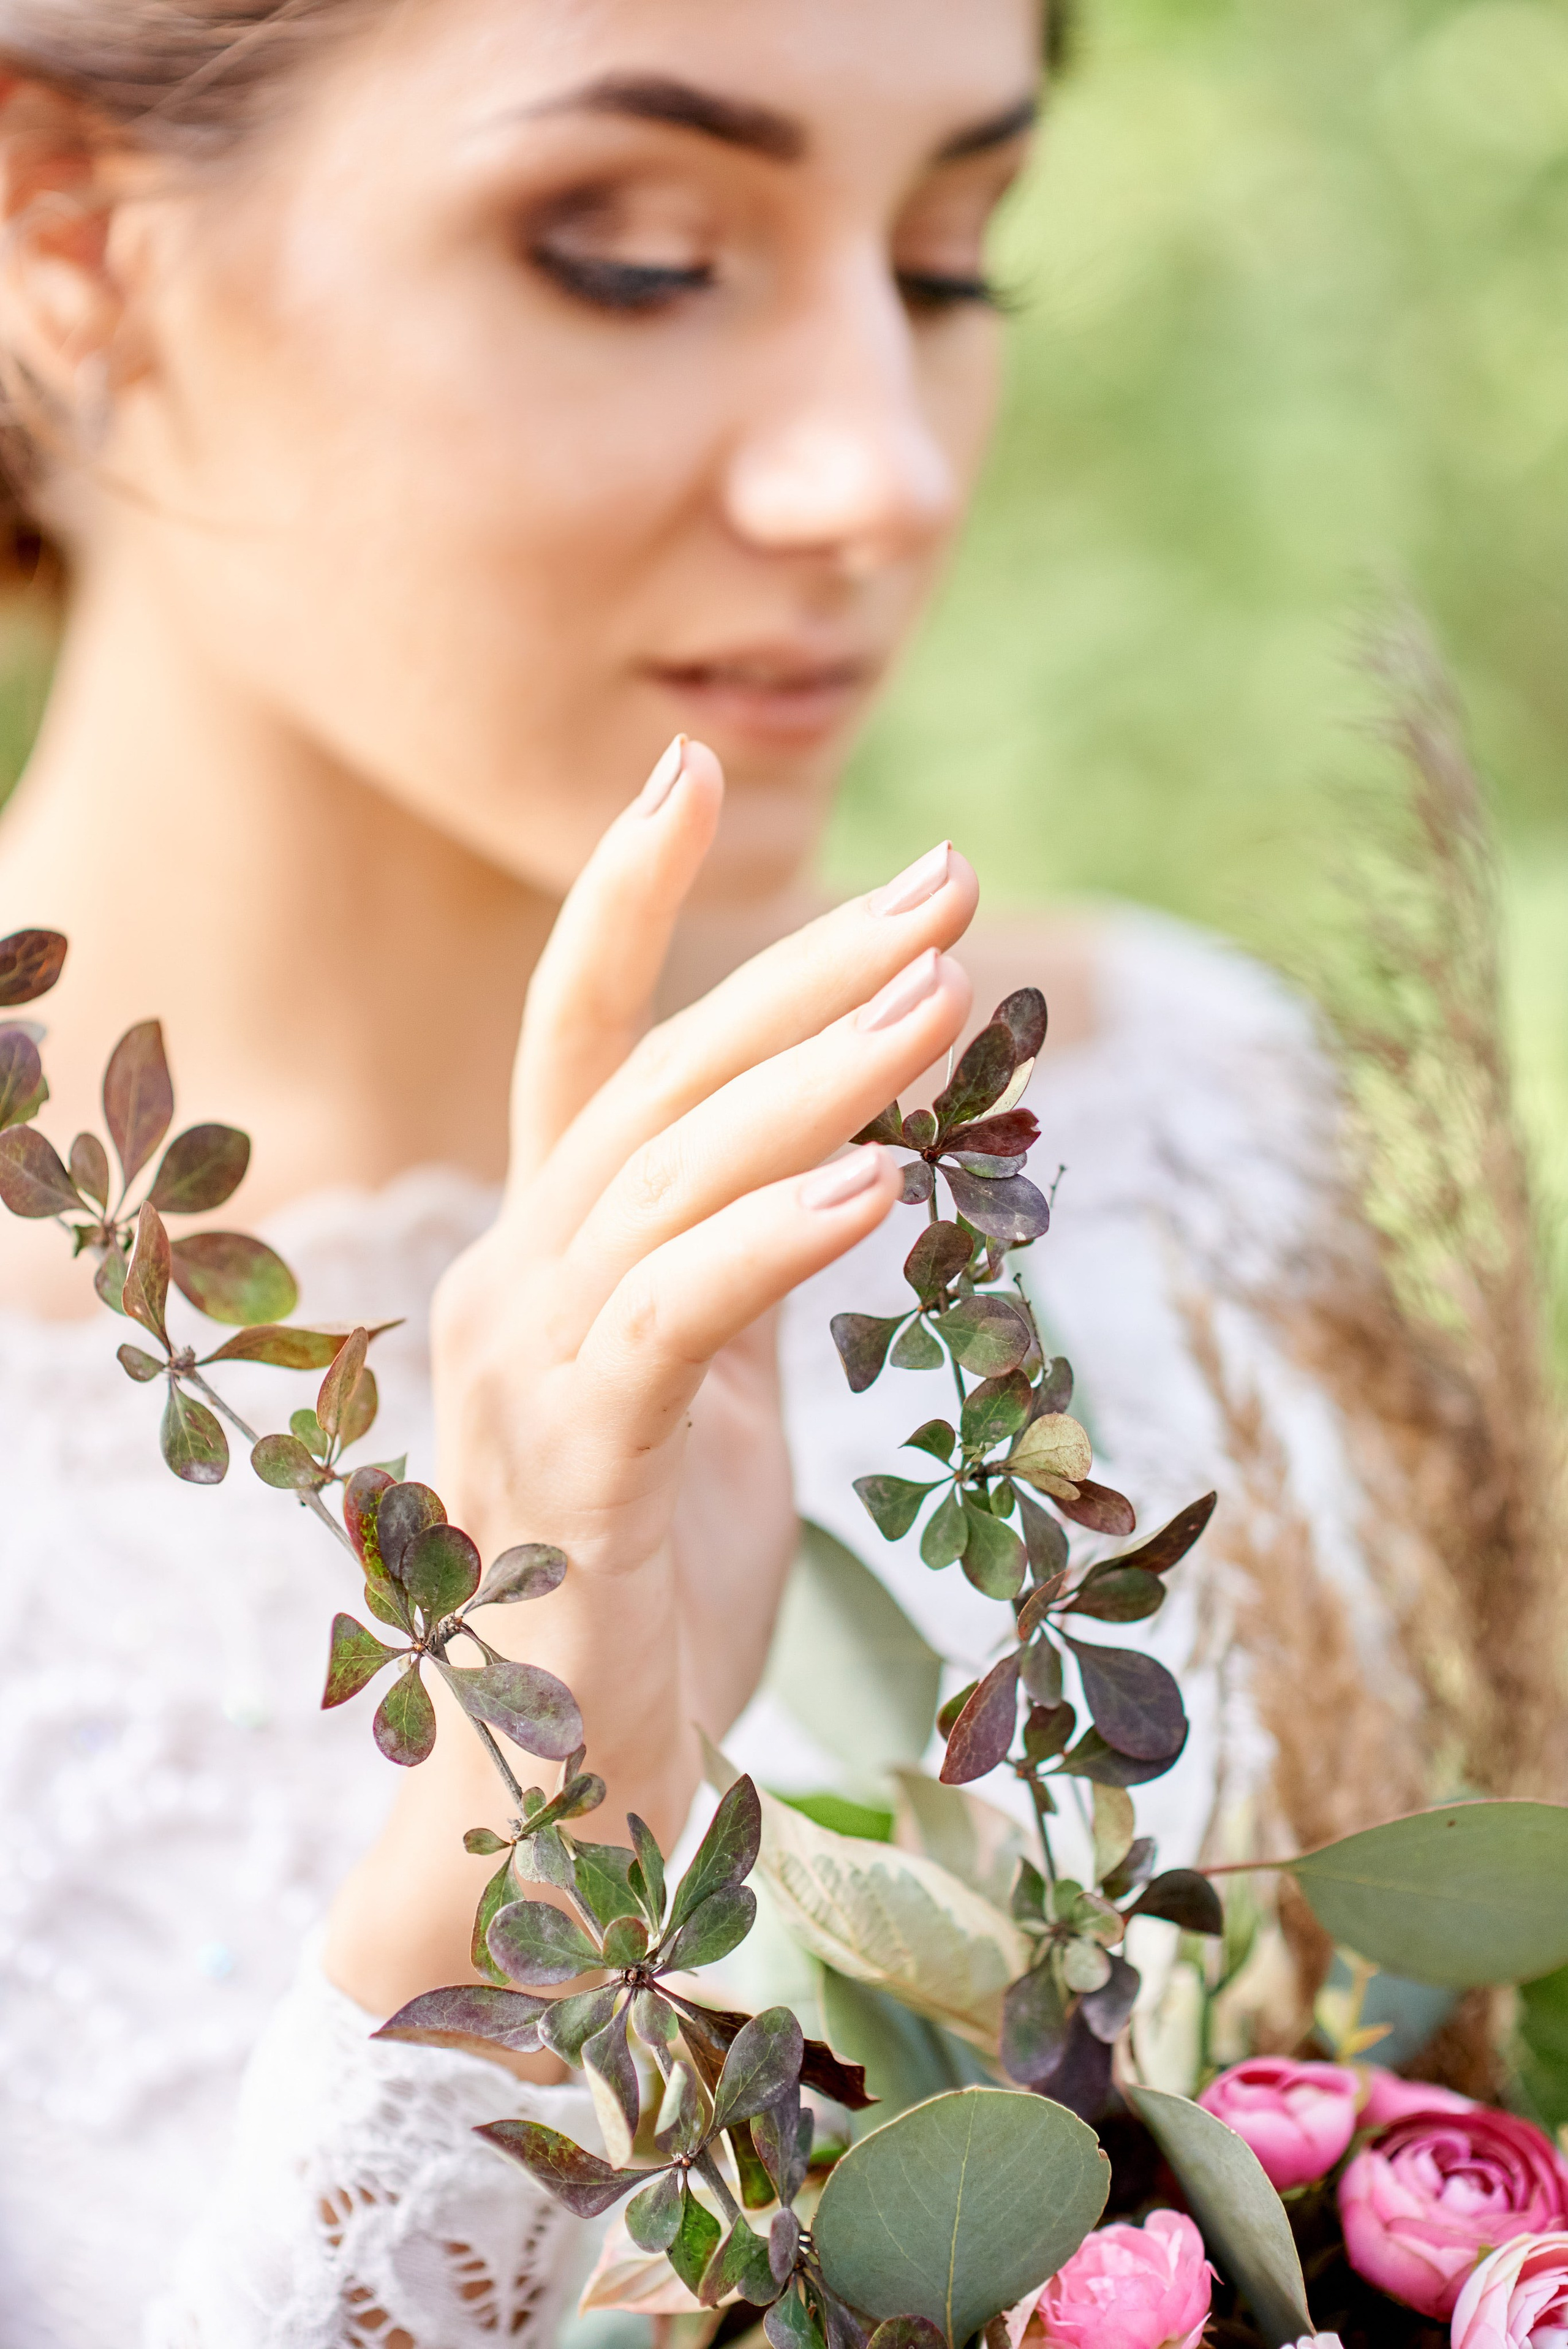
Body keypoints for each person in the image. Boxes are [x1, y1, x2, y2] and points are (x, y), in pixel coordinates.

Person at [0, 3, 1405, 2344]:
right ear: (68, 230)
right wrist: (523, 1846)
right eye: (632, 253)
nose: (881, 471)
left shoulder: (1183, 1127)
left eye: (953, 261)